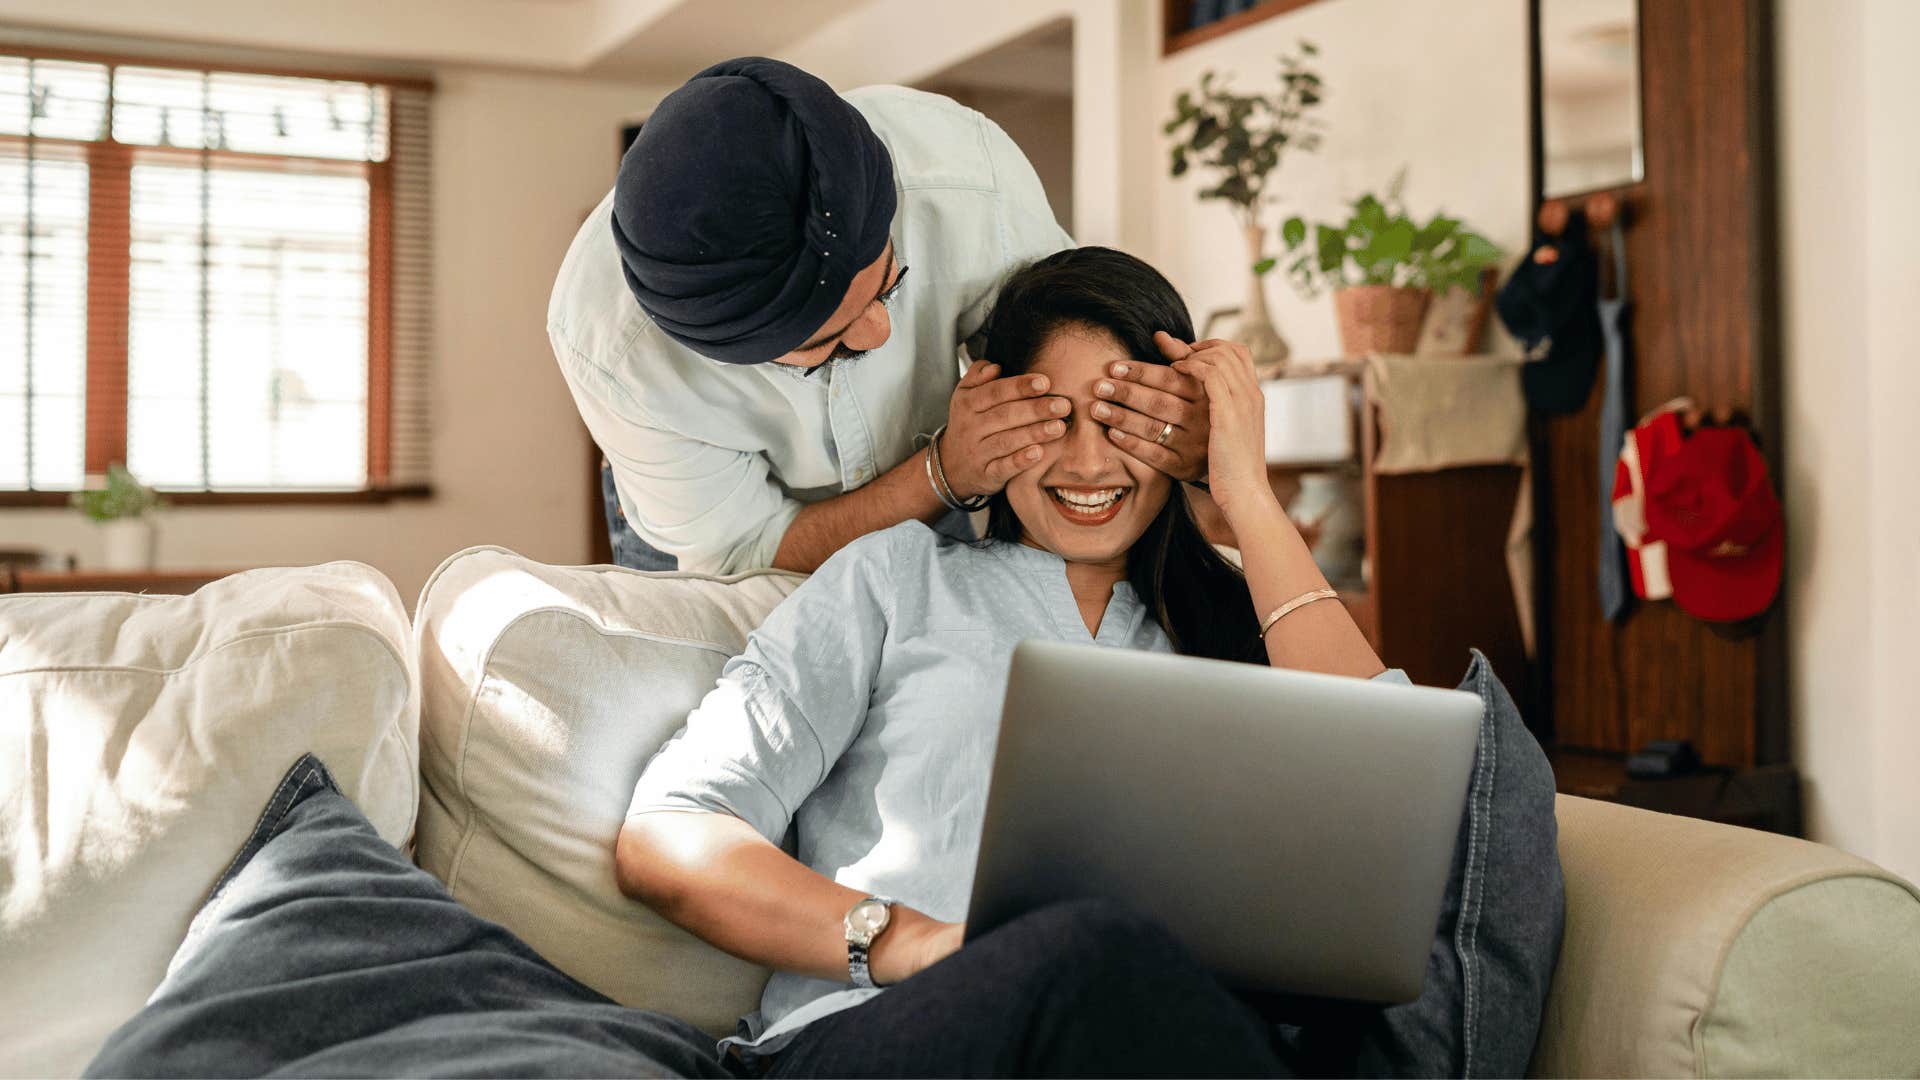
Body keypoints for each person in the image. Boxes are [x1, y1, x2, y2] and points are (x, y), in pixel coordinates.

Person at [615, 247, 1564, 1077]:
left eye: (1125, 420)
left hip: (1169, 1041)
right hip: (893, 1035)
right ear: (989, 413)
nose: (1087, 463)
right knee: (1089, 948)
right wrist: (905, 943)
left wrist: (1243, 490)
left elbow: (1395, 801)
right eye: (1052, 417)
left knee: (1496, 758)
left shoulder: (1242, 621)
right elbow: (671, 833)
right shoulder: (899, 580)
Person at [549, 57, 1211, 575]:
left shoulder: (966, 179)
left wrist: (1194, 441)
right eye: (829, 341)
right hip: (725, 538)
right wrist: (940, 472)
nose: (883, 333)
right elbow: (747, 553)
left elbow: (1069, 351)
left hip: (940, 473)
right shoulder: (615, 350)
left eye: (890, 284)